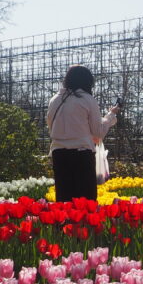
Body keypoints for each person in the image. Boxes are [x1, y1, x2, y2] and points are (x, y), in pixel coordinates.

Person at [47, 65, 118, 203]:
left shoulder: (54, 100)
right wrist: (110, 117)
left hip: (59, 154)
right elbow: (98, 132)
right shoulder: (87, 99)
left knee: (64, 199)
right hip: (81, 155)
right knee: (86, 201)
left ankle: (64, 225)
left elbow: (51, 126)